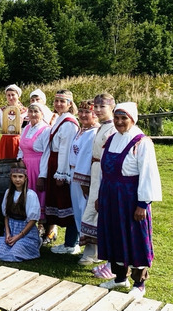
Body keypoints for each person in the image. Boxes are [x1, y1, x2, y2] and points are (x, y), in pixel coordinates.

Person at [97, 102, 162, 299]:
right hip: (110, 195)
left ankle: (139, 283)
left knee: (134, 239)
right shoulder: (111, 139)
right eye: (116, 118)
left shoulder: (141, 142)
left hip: (130, 197)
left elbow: (148, 174)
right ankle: (119, 278)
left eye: (123, 118)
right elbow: (104, 171)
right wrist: (101, 196)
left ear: (132, 119)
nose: (119, 122)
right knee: (114, 235)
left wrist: (143, 204)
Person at [38, 89, 79, 248]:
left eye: (63, 101)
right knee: (58, 202)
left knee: (67, 203)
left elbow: (65, 150)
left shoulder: (68, 123)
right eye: (56, 101)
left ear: (70, 104)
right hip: (53, 162)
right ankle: (65, 240)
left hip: (60, 164)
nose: (59, 104)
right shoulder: (59, 119)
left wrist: (61, 174)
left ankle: (71, 242)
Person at [81, 94, 117, 272]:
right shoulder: (102, 128)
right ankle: (92, 250)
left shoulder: (113, 129)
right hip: (96, 171)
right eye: (95, 106)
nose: (97, 110)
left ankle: (107, 257)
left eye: (102, 107)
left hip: (106, 173)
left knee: (101, 211)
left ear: (111, 107)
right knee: (92, 210)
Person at [62, 100, 99, 258]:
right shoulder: (83, 130)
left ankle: (92, 250)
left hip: (84, 177)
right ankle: (87, 248)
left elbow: (87, 157)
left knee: (86, 212)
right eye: (81, 112)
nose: (83, 115)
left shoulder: (94, 132)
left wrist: (84, 181)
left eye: (87, 113)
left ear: (95, 115)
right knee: (78, 211)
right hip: (74, 175)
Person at [0, 160, 42, 262]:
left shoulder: (30, 195)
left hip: (25, 234)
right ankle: (10, 246)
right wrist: (8, 234)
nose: (17, 180)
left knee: (16, 251)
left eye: (20, 176)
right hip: (11, 230)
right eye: (14, 176)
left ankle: (34, 244)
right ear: (11, 177)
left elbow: (32, 220)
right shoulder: (8, 193)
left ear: (25, 178)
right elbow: (6, 216)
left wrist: (19, 236)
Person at [17, 103, 52, 226]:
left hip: (38, 166)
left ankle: (41, 226)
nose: (32, 114)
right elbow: (21, 147)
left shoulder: (45, 130)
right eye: (30, 111)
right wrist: (20, 159)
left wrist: (42, 176)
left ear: (42, 114)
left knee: (39, 195)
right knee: (26, 194)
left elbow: (47, 153)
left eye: (36, 112)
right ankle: (27, 223)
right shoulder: (26, 128)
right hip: (25, 166)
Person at [0, 84, 28, 159]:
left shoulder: (25, 111)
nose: (10, 97)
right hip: (5, 140)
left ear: (18, 95)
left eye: (13, 95)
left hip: (19, 140)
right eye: (8, 95)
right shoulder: (1, 110)